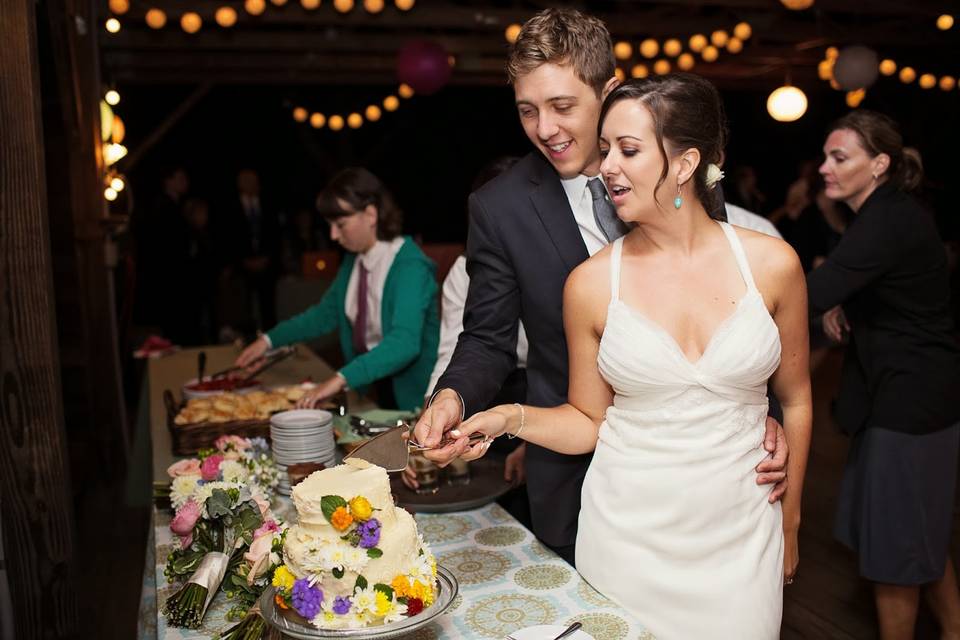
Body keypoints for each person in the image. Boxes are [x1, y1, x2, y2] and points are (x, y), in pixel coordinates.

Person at [419, 74, 812, 638]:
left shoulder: (774, 264)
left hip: (744, 530)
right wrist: (506, 418)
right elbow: (587, 422)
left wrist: (791, 521)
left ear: (684, 163)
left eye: (627, 150)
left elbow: (796, 400)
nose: (606, 166)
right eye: (605, 149)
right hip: (626, 534)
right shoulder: (591, 284)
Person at [808, 110, 960, 640]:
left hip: (910, 404)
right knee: (919, 533)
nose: (825, 168)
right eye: (826, 156)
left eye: (839, 158)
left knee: (895, 551)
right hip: (908, 395)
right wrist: (845, 301)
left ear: (879, 164)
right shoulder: (886, 213)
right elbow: (871, 290)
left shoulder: (886, 219)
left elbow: (809, 295)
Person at [236, 168, 439, 411]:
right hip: (371, 386)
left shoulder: (410, 265)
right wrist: (268, 341)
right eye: (330, 225)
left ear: (371, 214)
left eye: (341, 224)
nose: (333, 235)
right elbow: (323, 316)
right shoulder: (354, 260)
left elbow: (404, 343)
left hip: (415, 398)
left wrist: (340, 379)